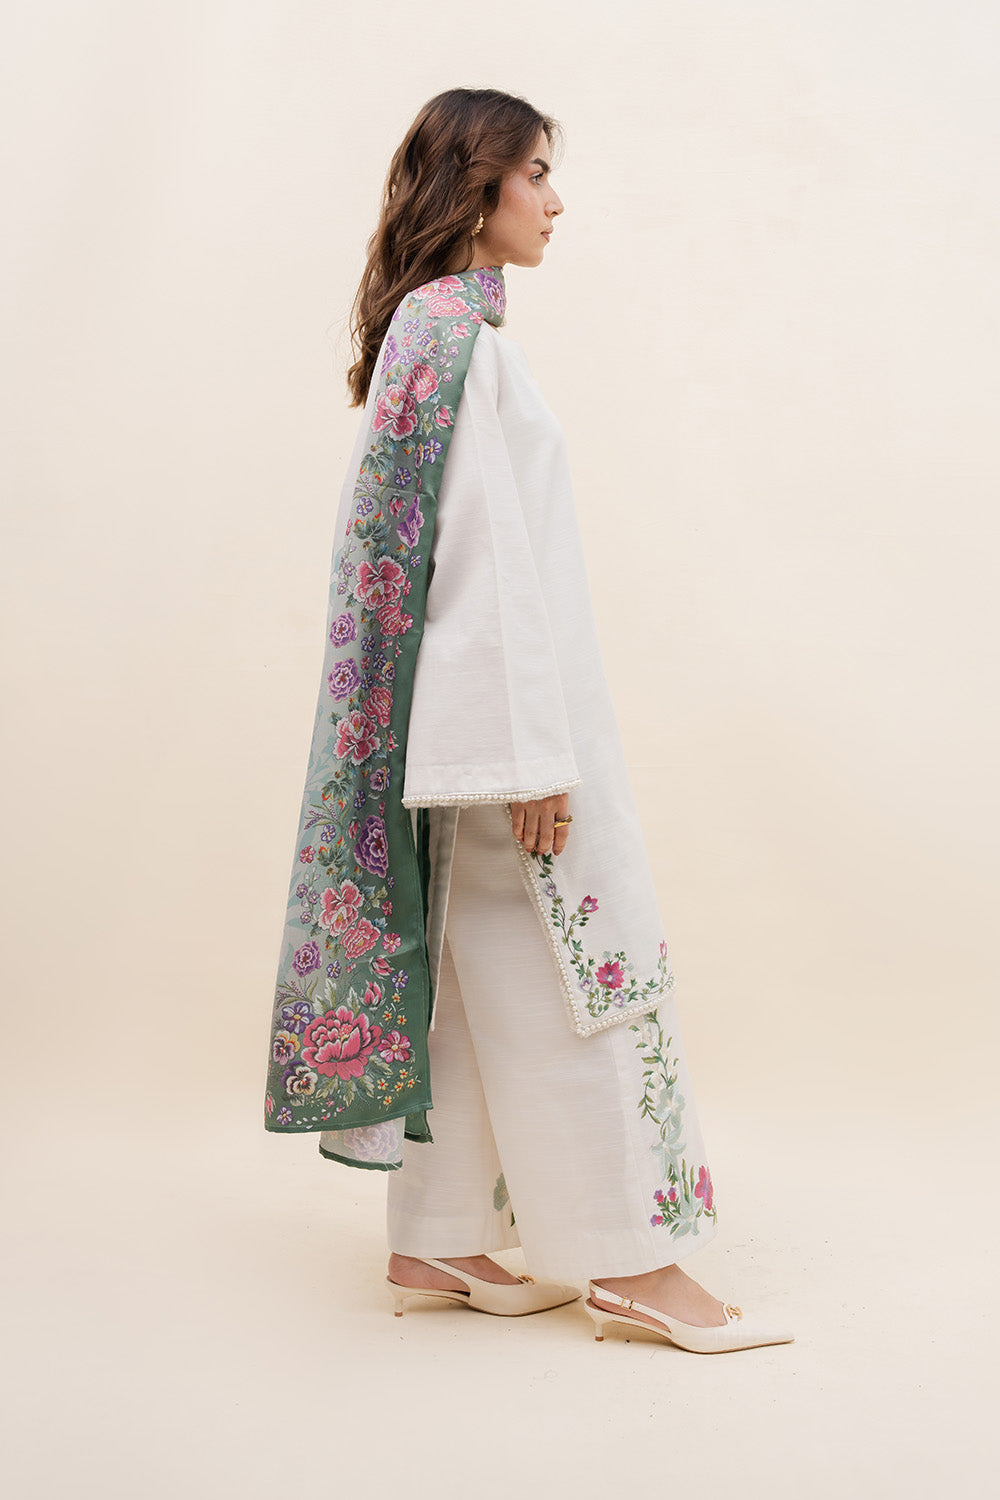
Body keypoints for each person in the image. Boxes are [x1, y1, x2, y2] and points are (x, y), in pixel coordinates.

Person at [264, 87, 794, 1355]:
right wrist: (531, 760)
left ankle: (438, 1236)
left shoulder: (426, 331)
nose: (556, 202)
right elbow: (484, 567)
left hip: (450, 733)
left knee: (461, 967)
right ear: (476, 186)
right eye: (537, 174)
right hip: (505, 736)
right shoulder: (464, 344)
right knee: (581, 975)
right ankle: (635, 1265)